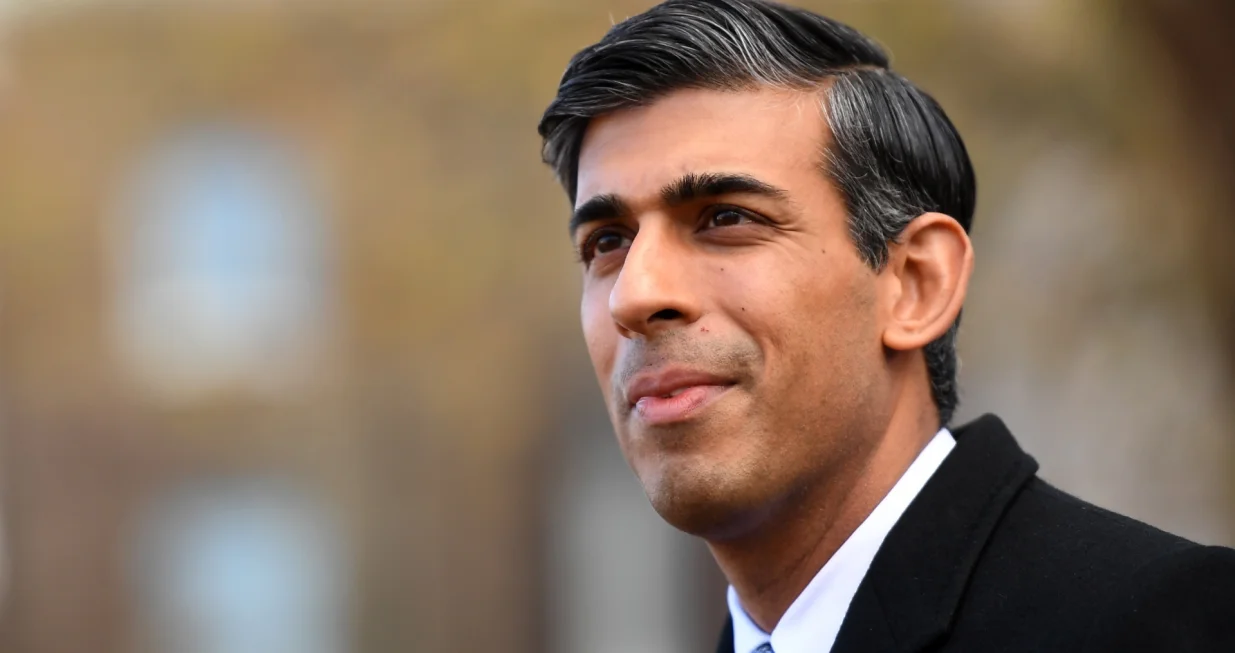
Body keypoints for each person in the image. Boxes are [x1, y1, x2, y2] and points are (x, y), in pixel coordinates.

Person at [535, 1, 1235, 651]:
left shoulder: (1164, 623)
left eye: (726, 218)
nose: (635, 294)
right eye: (607, 242)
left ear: (916, 283)